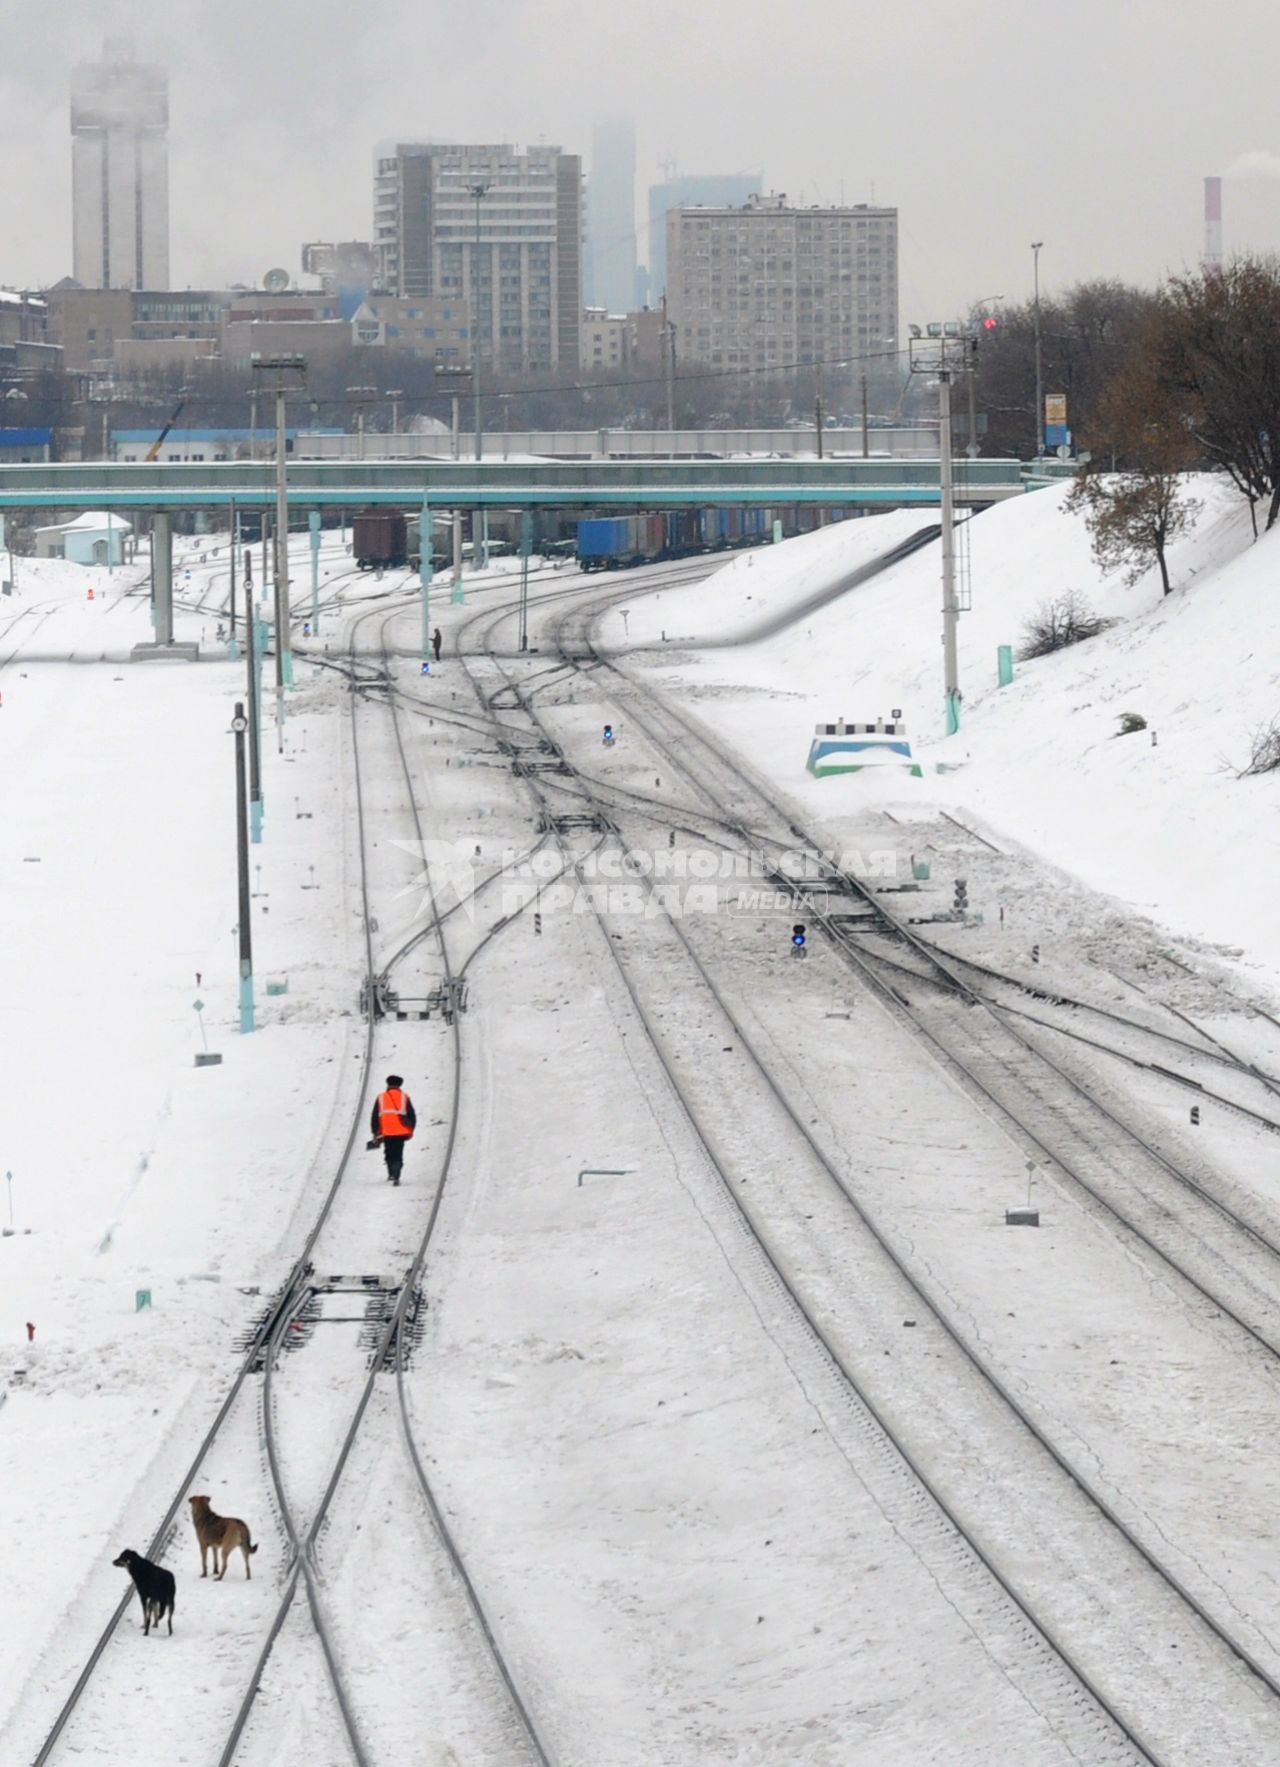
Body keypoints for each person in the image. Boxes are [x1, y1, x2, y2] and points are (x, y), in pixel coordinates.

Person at [370, 1074, 416, 1184]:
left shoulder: (381, 1097)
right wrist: (410, 1128)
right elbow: (412, 1115)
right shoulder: (404, 1097)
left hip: (386, 1131)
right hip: (401, 1131)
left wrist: (375, 1131)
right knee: (398, 1152)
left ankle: (391, 1173)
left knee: (389, 1151)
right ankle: (396, 1174)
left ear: (388, 1084)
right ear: (400, 1085)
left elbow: (375, 1116)